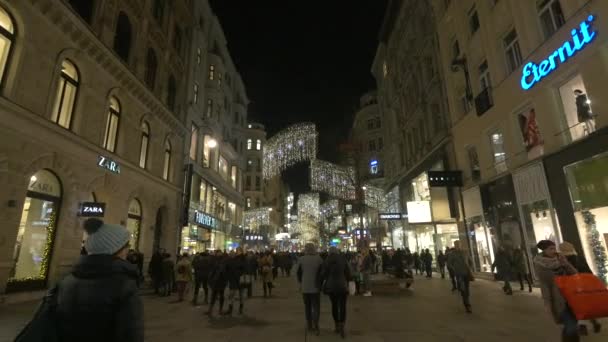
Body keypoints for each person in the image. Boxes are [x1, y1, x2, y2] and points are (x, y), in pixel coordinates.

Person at [56, 218, 143, 341]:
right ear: (117, 249)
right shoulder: (124, 285)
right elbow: (130, 334)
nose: (128, 249)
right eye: (127, 245)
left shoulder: (67, 281)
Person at [534, 240, 579, 341]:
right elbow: (545, 285)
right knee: (571, 326)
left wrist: (566, 264)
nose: (554, 251)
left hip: (571, 296)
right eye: (551, 249)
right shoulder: (541, 265)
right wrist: (548, 304)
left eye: (554, 248)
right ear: (544, 250)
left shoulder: (560, 259)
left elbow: (575, 274)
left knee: (572, 326)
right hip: (558, 299)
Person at [559, 241, 602, 335]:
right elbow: (588, 270)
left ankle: (583, 327)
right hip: (586, 283)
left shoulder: (566, 261)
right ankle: (594, 322)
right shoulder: (580, 258)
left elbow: (568, 274)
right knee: (586, 305)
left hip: (574, 287)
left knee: (576, 307)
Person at [321, 247, 352, 338]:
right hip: (342, 286)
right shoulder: (343, 259)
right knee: (342, 306)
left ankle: (336, 325)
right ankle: (342, 324)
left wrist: (321, 282)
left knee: (334, 305)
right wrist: (349, 280)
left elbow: (323, 274)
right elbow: (348, 273)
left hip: (331, 287)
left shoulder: (326, 260)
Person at [296, 243, 324, 335]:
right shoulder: (319, 259)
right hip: (316, 287)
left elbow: (298, 273)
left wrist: (301, 282)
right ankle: (316, 323)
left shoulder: (301, 259)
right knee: (316, 306)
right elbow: (322, 273)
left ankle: (309, 325)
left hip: (305, 287)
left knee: (307, 307)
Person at [447, 240, 473, 313]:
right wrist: (454, 269)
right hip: (459, 274)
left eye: (459, 244)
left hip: (466, 273)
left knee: (467, 289)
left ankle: (466, 299)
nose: (458, 246)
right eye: (456, 245)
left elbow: (470, 261)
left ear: (461, 245)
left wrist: (470, 269)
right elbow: (449, 264)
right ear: (454, 246)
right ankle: (467, 304)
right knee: (463, 288)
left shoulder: (465, 252)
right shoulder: (452, 254)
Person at [224, 248, 246, 315]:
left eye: (238, 251)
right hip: (233, 279)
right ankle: (230, 309)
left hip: (239, 279)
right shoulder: (232, 259)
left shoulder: (243, 259)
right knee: (231, 294)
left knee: (241, 295)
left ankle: (240, 309)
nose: (236, 252)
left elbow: (244, 268)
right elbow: (227, 268)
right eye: (236, 251)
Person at [206, 251, 228, 317]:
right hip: (216, 281)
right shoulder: (214, 260)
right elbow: (211, 270)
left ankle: (219, 310)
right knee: (214, 295)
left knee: (221, 295)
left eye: (220, 253)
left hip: (221, 281)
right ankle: (210, 310)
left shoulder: (224, 261)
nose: (219, 254)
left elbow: (225, 271)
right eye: (218, 253)